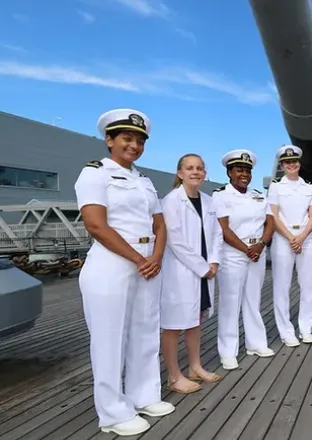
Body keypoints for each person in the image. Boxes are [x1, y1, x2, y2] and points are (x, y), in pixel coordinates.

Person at [74, 108, 174, 436]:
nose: (133, 145)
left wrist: (155, 257)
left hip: (147, 264)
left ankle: (143, 396)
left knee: (145, 333)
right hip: (111, 263)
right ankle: (113, 413)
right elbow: (95, 225)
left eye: (139, 140)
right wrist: (139, 258)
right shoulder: (95, 174)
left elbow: (159, 224)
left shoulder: (143, 180)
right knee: (109, 339)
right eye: (126, 138)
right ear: (109, 139)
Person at [160, 153, 223, 394]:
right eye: (190, 168)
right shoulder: (172, 201)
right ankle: (174, 376)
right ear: (180, 173)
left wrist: (214, 261)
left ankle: (195, 366)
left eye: (199, 168)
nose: (195, 172)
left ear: (205, 174)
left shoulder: (208, 201)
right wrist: (203, 267)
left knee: (196, 319)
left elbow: (217, 234)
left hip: (205, 270)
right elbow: (175, 240)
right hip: (181, 271)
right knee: (173, 324)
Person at [212, 149, 275, 370]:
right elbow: (223, 228)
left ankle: (255, 343)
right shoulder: (221, 195)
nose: (244, 174)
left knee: (253, 299)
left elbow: (270, 222)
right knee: (230, 303)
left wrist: (260, 245)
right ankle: (228, 351)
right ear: (229, 172)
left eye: (248, 170)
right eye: (239, 169)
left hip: (257, 251)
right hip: (233, 254)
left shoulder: (258, 195)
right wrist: (247, 249)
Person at [268, 145, 312, 346]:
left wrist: (301, 236)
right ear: (282, 165)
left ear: (299, 163)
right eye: (287, 162)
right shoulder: (276, 187)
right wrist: (291, 237)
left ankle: (305, 328)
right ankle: (286, 331)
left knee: (308, 286)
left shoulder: (309, 187)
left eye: (295, 161)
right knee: (282, 286)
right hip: (283, 240)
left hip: (306, 239)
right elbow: (273, 214)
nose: (292, 165)